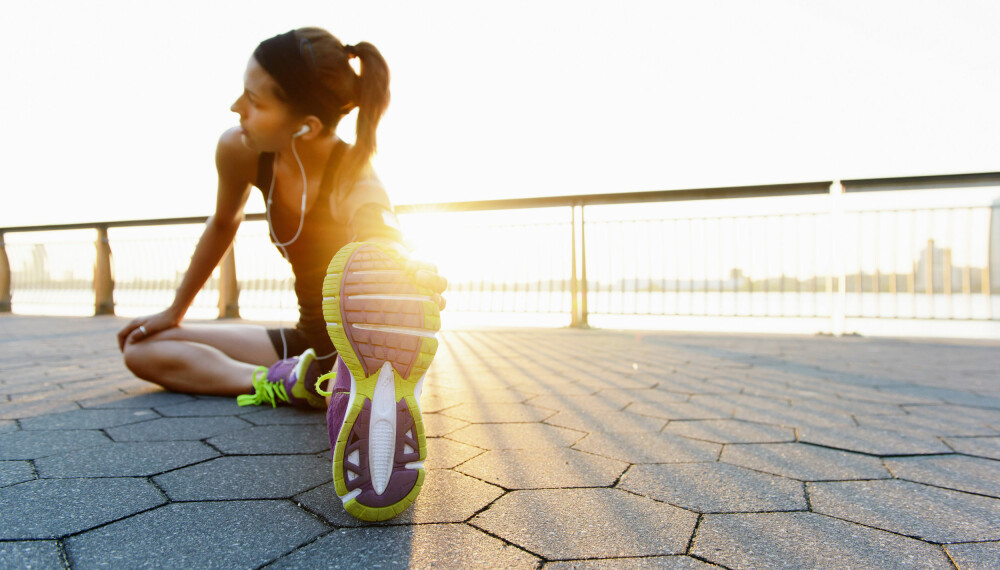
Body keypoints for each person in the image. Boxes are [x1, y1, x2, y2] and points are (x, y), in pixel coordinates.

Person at [117, 28, 446, 522]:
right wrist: (174, 311)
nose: (235, 108)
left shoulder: (355, 174)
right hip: (306, 340)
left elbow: (382, 233)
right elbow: (222, 223)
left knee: (352, 367)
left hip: (355, 349)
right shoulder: (241, 149)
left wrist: (406, 273)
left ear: (306, 127)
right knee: (142, 348)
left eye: (253, 101)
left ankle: (351, 389)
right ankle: (294, 380)